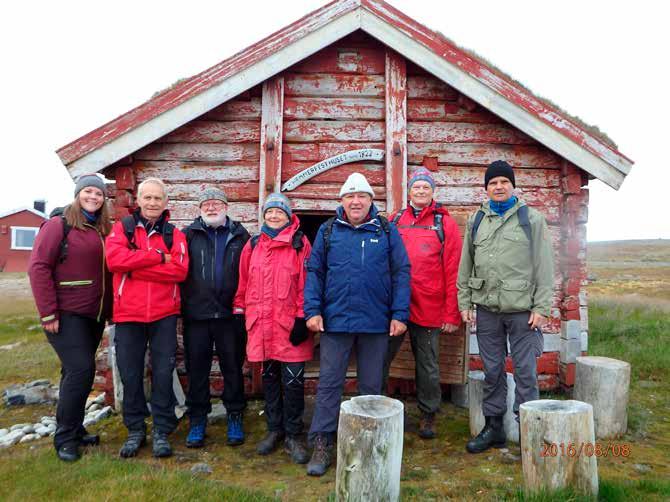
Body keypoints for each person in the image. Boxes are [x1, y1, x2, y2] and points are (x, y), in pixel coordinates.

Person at [304, 173, 411, 476]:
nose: (356, 201)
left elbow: (401, 272)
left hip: (376, 322)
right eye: (350, 196)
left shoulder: (387, 231)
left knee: (371, 387)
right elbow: (315, 273)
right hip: (336, 322)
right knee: (329, 385)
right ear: (342, 201)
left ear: (370, 201)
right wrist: (312, 310)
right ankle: (323, 442)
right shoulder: (327, 231)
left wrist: (399, 314)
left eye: (361, 196)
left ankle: (369, 444)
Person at [457, 160, 554, 453]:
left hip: (523, 312)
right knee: (493, 371)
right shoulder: (476, 220)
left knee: (525, 372)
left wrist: (542, 307)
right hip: (487, 310)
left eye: (503, 182)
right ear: (486, 188)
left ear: (513, 186)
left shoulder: (532, 219)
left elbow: (544, 266)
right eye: (493, 183)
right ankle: (494, 428)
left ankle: (529, 433)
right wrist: (465, 302)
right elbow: (466, 264)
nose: (498, 187)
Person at [28, 174, 112, 462]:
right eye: (88, 191)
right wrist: (48, 311)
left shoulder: (101, 229)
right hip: (65, 314)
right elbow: (38, 267)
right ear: (78, 194)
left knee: (73, 373)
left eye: (98, 193)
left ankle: (75, 429)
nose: (93, 197)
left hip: (93, 315)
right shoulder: (58, 225)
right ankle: (64, 438)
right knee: (81, 370)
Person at [105, 177, 189, 459]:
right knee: (131, 374)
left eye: (158, 198)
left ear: (166, 202)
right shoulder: (123, 229)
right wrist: (156, 257)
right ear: (138, 200)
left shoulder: (173, 234)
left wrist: (136, 264)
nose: (153, 202)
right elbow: (115, 261)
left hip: (164, 314)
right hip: (129, 314)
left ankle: (162, 431)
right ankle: (135, 430)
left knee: (163, 373)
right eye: (148, 197)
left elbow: (179, 271)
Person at [382, 168, 462, 439]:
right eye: (416, 187)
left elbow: (454, 270)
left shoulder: (444, 223)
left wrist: (452, 313)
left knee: (427, 364)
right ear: (409, 191)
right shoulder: (394, 220)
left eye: (425, 187)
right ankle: (377, 407)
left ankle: (429, 414)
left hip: (429, 304)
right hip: (396, 304)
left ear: (432, 192)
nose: (420, 191)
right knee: (381, 357)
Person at [233, 193, 313, 464]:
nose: (274, 216)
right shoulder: (253, 244)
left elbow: (307, 284)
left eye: (280, 212)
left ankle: (293, 434)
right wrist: (240, 313)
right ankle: (274, 429)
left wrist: (303, 318)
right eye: (270, 212)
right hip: (261, 325)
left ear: (288, 216)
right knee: (269, 379)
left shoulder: (300, 244)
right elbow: (243, 283)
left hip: (290, 326)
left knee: (293, 382)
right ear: (264, 215)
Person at [180, 186, 250, 448]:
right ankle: (198, 419)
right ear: (199, 209)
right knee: (197, 369)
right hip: (196, 315)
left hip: (230, 315)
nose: (211, 207)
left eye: (216, 203)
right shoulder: (187, 235)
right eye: (206, 204)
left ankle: (234, 415)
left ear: (226, 207)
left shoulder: (241, 236)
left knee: (232, 368)